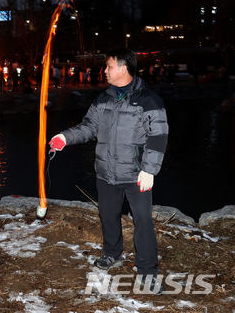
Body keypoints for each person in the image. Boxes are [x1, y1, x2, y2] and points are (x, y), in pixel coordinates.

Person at [49, 49, 168, 289]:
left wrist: (149, 170)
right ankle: (112, 254)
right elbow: (89, 126)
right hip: (106, 172)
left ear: (123, 68)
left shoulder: (149, 100)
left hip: (137, 175)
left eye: (109, 66)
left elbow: (159, 136)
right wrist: (65, 137)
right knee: (108, 217)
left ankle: (147, 272)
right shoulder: (103, 99)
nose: (105, 71)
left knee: (143, 222)